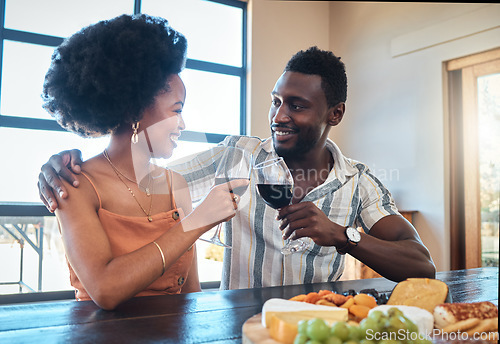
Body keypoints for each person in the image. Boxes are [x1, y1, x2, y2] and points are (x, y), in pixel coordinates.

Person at [38, 46, 436, 290]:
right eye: (275, 101)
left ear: (335, 113)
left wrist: (342, 236)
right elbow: (135, 176)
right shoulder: (234, 157)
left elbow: (422, 266)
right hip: (239, 331)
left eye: (296, 105)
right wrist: (66, 163)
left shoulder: (359, 183)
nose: (278, 115)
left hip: (317, 330)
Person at [38, 13, 247, 310]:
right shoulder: (76, 185)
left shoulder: (176, 185)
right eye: (176, 110)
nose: (182, 124)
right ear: (135, 110)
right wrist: (197, 222)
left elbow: (191, 293)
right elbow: (106, 289)